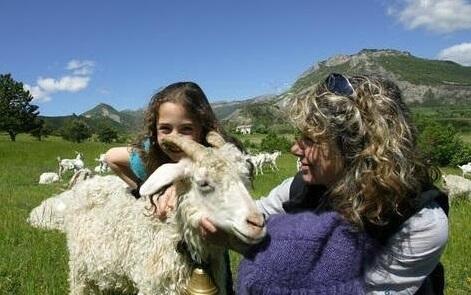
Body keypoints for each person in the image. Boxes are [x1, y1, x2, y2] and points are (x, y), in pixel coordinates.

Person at [156, 74, 449, 294]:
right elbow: (252, 213)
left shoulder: (419, 222)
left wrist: (236, 245)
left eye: (310, 140)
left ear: (354, 147)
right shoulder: (299, 189)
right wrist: (187, 197)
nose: (295, 149)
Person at [105, 81, 242, 293]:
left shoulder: (217, 159)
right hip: (164, 247)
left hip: (208, 247)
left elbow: (236, 175)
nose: (174, 138)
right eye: (165, 129)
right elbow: (112, 157)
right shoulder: (149, 155)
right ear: (155, 130)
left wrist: (177, 186)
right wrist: (146, 190)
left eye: (186, 129)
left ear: (202, 129)